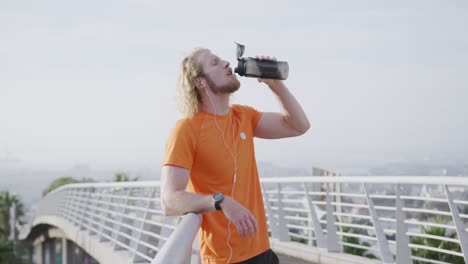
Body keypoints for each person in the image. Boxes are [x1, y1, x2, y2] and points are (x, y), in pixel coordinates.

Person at [160, 47, 310, 264]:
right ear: (200, 82)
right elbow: (169, 201)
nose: (226, 63)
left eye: (222, 60)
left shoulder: (243, 116)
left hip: (262, 251)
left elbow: (298, 126)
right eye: (214, 63)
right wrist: (221, 201)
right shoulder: (186, 129)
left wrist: (275, 85)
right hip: (225, 259)